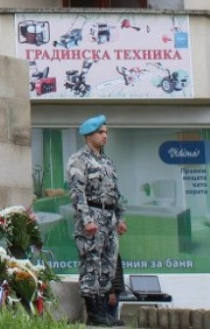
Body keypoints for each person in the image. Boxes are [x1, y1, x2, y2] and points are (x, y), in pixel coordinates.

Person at [67, 114, 127, 326]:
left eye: (106, 132)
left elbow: (115, 192)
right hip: (91, 218)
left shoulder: (107, 162)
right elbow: (77, 193)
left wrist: (120, 217)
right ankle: (93, 315)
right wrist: (86, 220)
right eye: (101, 132)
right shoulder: (79, 160)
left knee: (107, 266)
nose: (105, 136)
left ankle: (104, 313)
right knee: (91, 265)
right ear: (88, 135)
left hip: (109, 218)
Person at [107, 253, 125, 326]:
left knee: (111, 319)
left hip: (114, 289)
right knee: (109, 320)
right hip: (111, 291)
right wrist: (110, 291)